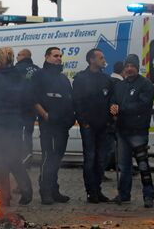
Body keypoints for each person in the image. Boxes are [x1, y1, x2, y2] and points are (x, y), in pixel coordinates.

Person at [0, 47, 33, 206]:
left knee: (1, 161)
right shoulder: (19, 76)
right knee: (15, 159)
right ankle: (26, 190)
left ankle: (4, 197)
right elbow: (26, 98)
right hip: (16, 124)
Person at [110, 54, 154, 208]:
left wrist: (121, 109)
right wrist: (113, 107)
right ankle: (124, 195)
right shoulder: (119, 86)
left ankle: (148, 196)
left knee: (143, 166)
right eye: (127, 66)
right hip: (122, 131)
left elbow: (143, 105)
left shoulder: (146, 84)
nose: (129, 69)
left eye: (132, 66)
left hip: (139, 131)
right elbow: (113, 100)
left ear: (137, 67)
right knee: (124, 166)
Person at [32, 46, 74, 205]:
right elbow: (33, 99)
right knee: (49, 158)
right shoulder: (39, 76)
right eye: (56, 55)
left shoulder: (63, 78)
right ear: (47, 57)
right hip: (49, 126)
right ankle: (45, 191)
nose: (59, 58)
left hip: (63, 126)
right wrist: (45, 115)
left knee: (57, 159)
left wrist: (70, 119)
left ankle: (54, 190)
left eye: (60, 56)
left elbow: (69, 100)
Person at [72, 48, 113, 203]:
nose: (104, 60)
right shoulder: (81, 79)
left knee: (101, 160)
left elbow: (111, 100)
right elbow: (77, 102)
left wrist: (111, 118)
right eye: (101, 57)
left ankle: (98, 189)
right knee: (90, 159)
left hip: (104, 126)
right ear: (92, 60)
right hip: (89, 126)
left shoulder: (106, 79)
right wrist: (84, 122)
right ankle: (91, 192)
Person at [14, 48, 40, 164]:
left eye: (18, 55)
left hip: (19, 107)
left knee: (17, 133)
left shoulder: (16, 70)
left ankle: (19, 158)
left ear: (24, 56)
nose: (16, 57)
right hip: (33, 108)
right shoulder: (38, 70)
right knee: (28, 133)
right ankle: (28, 155)